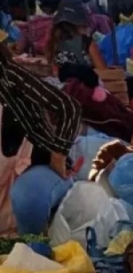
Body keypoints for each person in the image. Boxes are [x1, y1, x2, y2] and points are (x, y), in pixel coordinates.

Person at [0, 30, 81, 184]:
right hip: (7, 171)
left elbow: (69, 106)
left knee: (25, 196)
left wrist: (58, 154)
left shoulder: (11, 75)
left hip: (36, 164)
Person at [9, 145, 72, 235]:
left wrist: (58, 158)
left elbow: (58, 155)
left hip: (45, 166)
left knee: (30, 193)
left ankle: (30, 241)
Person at [46, 3, 106, 79]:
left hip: (62, 88)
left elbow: (54, 71)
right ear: (79, 24)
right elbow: (104, 73)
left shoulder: (53, 43)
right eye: (85, 26)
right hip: (86, 88)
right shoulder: (87, 43)